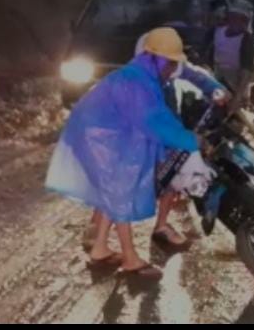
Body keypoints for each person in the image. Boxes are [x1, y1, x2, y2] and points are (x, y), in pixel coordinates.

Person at [45, 27, 207, 280]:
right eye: (170, 62)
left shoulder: (142, 76)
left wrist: (183, 137)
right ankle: (130, 258)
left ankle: (99, 249)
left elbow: (159, 116)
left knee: (113, 191)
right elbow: (153, 120)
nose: (171, 68)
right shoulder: (136, 81)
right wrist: (188, 139)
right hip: (99, 138)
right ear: (155, 57)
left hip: (99, 135)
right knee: (120, 191)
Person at [80, 31, 229, 258]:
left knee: (172, 172)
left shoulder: (170, 65)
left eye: (172, 63)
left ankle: (160, 227)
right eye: (166, 63)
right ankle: (102, 237)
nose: (171, 68)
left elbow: (196, 75)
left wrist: (215, 90)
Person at [204, 0, 254, 115]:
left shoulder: (246, 39)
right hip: (216, 81)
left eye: (244, 20)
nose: (239, 23)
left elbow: (246, 70)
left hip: (235, 84)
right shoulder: (217, 31)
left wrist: (237, 98)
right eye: (235, 18)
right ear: (230, 17)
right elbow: (205, 53)